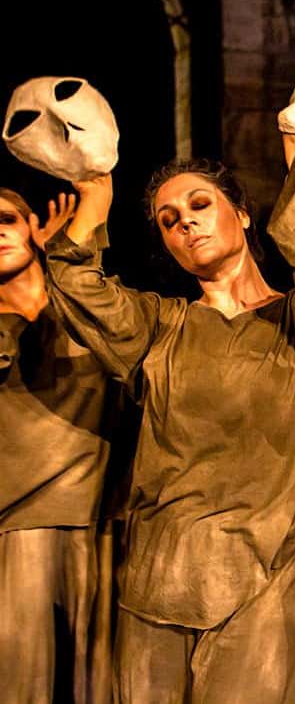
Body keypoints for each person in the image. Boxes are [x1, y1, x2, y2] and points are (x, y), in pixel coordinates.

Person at [44, 127, 295, 703]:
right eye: (169, 221)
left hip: (270, 572)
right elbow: (75, 284)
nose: (185, 222)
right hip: (160, 578)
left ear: (243, 214)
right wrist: (95, 194)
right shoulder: (161, 327)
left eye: (199, 204)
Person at [0, 189, 114, 704]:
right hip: (22, 521)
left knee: (100, 685)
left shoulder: (86, 306)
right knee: (22, 685)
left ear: (31, 226)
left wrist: (62, 265)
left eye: (6, 218)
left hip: (104, 519)